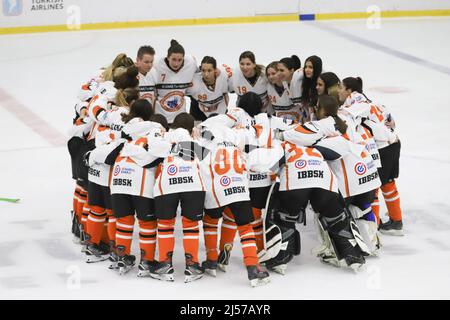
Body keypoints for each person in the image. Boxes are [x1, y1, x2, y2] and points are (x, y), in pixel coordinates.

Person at [196, 120, 271, 286]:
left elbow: (196, 161)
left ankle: (212, 260)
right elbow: (259, 164)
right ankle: (253, 267)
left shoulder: (206, 144)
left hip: (217, 190)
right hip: (240, 189)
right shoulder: (239, 146)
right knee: (245, 227)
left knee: (210, 222)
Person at [339, 77, 403, 235]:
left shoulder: (357, 102)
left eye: (341, 87)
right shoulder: (373, 102)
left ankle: (374, 225)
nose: (338, 90)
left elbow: (345, 117)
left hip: (382, 149)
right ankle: (396, 220)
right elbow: (391, 121)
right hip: (393, 143)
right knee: (388, 183)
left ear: (349, 91)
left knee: (372, 187)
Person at [150, 113, 206, 283]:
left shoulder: (164, 136)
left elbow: (152, 149)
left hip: (167, 184)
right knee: (191, 224)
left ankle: (165, 265)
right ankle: (193, 265)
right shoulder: (196, 141)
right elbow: (206, 158)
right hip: (193, 184)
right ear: (191, 128)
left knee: (165, 224)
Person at [149, 40, 198, 124]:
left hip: (180, 119)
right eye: (173, 59)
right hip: (160, 119)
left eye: (180, 60)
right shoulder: (156, 64)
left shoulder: (191, 63)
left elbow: (202, 74)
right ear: (168, 57)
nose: (176, 63)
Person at [266, 56, 303, 122]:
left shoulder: (293, 84)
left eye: (273, 73)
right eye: (268, 74)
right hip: (279, 123)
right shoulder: (268, 86)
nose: (270, 77)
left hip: (298, 121)